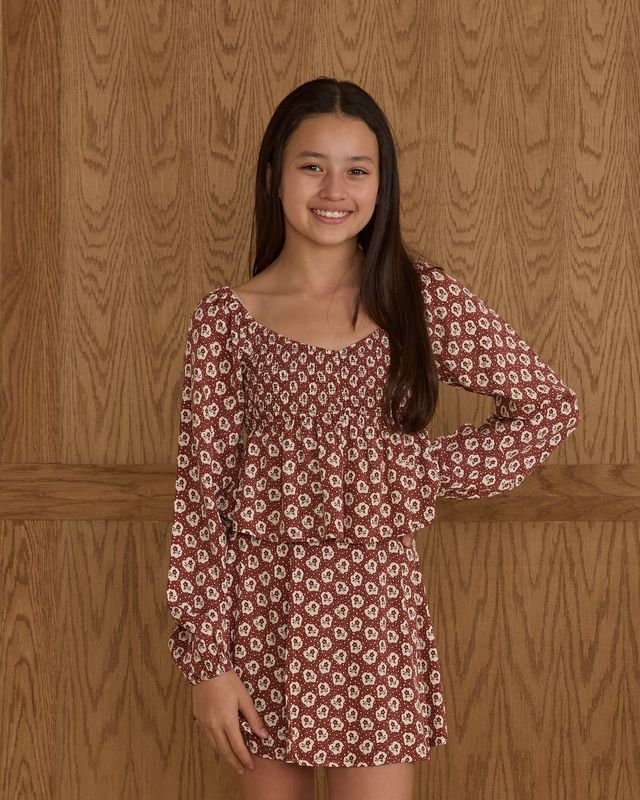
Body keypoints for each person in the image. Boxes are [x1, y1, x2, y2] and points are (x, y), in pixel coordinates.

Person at [165, 77, 581, 800]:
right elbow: (201, 506)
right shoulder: (226, 321)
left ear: (381, 184)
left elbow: (548, 404)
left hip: (377, 619)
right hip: (256, 622)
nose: (335, 188)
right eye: (311, 165)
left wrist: (415, 470)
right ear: (273, 175)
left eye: (358, 169)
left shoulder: (416, 299)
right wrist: (208, 664)